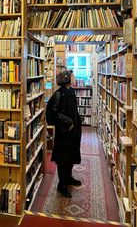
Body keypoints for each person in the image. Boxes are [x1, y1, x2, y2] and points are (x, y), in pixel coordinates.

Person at [49, 69, 82, 198]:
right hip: (64, 132)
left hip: (73, 132)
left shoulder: (71, 91)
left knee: (71, 155)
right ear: (67, 78)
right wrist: (69, 122)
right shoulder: (58, 94)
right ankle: (61, 184)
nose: (75, 78)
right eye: (73, 76)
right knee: (63, 159)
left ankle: (68, 178)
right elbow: (54, 113)